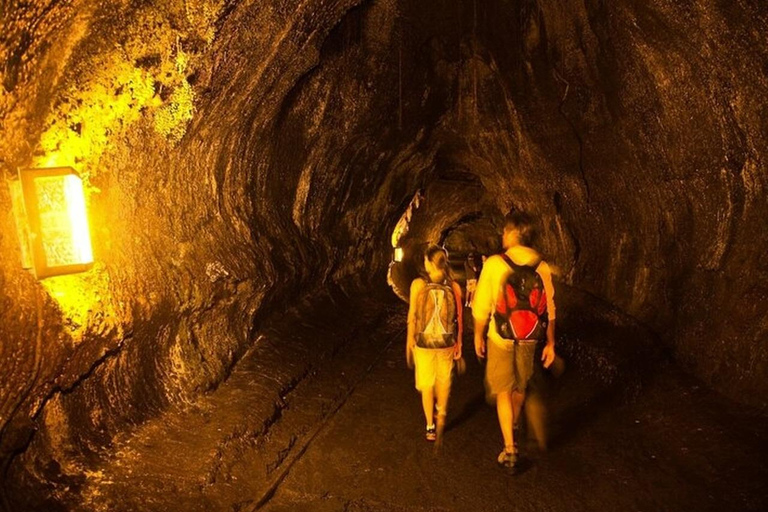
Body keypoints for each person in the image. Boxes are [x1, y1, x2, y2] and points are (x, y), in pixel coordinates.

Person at [472, 211, 557, 469]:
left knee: (503, 391)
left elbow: (481, 306)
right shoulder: (541, 266)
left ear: (513, 233)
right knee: (520, 388)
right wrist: (551, 343)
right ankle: (515, 422)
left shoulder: (496, 264)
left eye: (505, 231)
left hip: (500, 337)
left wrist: (478, 335)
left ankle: (509, 449)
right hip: (529, 337)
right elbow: (549, 309)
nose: (502, 234)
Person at [407, 245, 464, 445]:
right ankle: (441, 410)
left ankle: (430, 425)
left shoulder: (417, 284)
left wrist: (409, 341)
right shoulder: (454, 286)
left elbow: (413, 316)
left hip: (423, 343)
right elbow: (459, 318)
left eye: (425, 260)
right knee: (443, 380)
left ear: (430, 263)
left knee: (426, 384)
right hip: (446, 343)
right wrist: (459, 344)